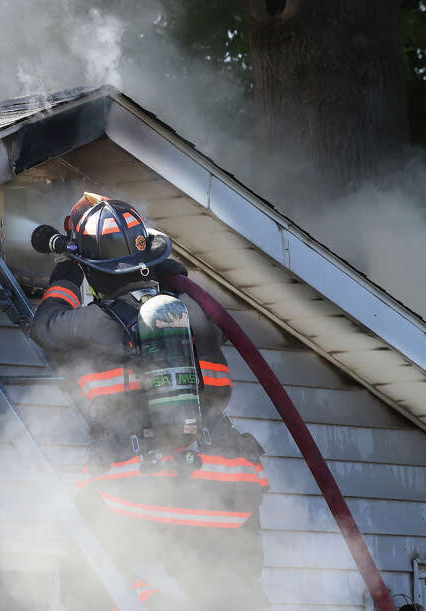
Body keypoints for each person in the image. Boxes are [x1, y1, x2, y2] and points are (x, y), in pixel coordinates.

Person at [30, 193, 270, 610]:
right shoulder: (198, 313)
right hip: (229, 488)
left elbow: (46, 328)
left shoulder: (95, 324)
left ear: (96, 272)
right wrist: (169, 271)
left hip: (139, 488)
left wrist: (67, 273)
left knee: (95, 582)